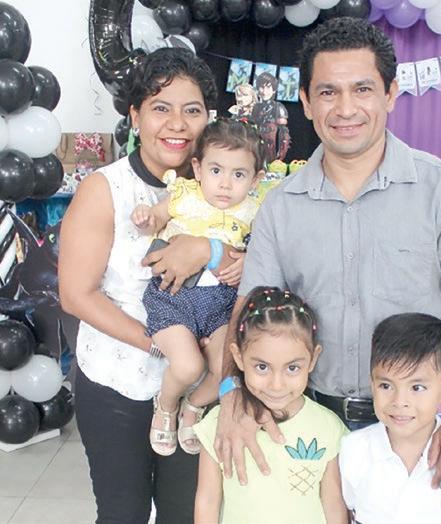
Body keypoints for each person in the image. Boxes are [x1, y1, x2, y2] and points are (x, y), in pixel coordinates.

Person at [215, 16, 441, 492]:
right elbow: (250, 310)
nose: (345, 108)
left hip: (413, 431)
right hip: (305, 423)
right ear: (306, 101)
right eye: (328, 92)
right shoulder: (281, 206)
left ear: (390, 94)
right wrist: (231, 395)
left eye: (363, 89)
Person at [58, 48, 234, 523]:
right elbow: (76, 293)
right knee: (123, 513)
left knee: (186, 513)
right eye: (161, 108)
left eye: (192, 110)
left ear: (209, 118)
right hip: (117, 384)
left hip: (198, 391)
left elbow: (252, 263)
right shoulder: (106, 189)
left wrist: (209, 251)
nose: (177, 124)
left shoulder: (226, 185)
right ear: (136, 116)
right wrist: (157, 343)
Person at [130, 118, 266, 456]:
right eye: (216, 170)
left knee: (228, 368)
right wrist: (147, 217)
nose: (225, 184)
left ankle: (193, 405)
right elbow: (155, 220)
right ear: (197, 168)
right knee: (188, 365)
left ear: (256, 179)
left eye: (239, 174)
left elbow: (267, 252)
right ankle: (166, 405)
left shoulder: (255, 211)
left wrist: (248, 259)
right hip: (174, 296)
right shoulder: (185, 196)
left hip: (223, 304)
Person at [194, 287, 348, 524]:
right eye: (262, 367)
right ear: (238, 357)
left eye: (292, 368)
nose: (277, 385)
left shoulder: (329, 427)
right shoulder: (219, 423)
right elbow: (207, 501)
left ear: (313, 359)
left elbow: (334, 504)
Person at [339, 313, 441, 524]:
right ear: (372, 384)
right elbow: (349, 511)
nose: (400, 401)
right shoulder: (353, 449)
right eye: (386, 385)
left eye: (417, 387)